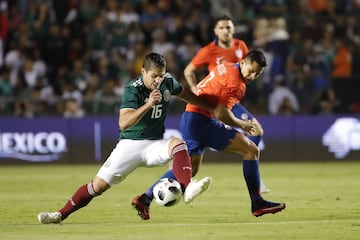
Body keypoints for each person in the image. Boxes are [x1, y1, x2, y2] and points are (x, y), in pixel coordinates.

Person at [37, 53, 212, 224]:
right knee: (97, 187)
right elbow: (123, 123)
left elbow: (185, 94)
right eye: (154, 76)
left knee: (178, 144)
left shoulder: (167, 82)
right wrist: (148, 104)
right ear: (143, 71)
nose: (158, 80)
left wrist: (209, 108)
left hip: (154, 144)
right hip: (130, 145)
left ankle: (187, 188)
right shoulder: (132, 89)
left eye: (161, 75)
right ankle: (60, 215)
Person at [133, 50, 286, 219]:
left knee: (190, 169)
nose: (252, 76)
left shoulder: (227, 66)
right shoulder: (236, 84)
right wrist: (241, 124)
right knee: (251, 150)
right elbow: (221, 113)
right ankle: (257, 203)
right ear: (242, 63)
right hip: (201, 121)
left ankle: (145, 198)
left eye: (257, 74)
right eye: (251, 71)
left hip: (190, 117)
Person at [183, 15, 270, 193]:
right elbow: (189, 70)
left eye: (228, 28)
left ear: (233, 30)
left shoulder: (240, 46)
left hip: (231, 101)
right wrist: (195, 89)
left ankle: (254, 175)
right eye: (221, 28)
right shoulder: (208, 51)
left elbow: (246, 73)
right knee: (196, 159)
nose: (225, 31)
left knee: (257, 133)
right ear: (215, 30)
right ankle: (251, 168)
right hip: (215, 102)